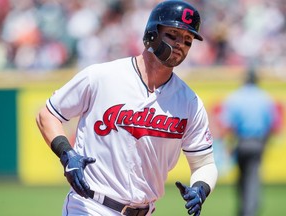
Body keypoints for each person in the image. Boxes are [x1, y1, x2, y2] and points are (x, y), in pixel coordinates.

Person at [36, 1, 218, 215]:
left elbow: (204, 163)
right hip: (90, 206)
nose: (180, 44)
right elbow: (47, 114)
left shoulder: (189, 101)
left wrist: (201, 188)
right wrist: (67, 153)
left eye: (188, 40)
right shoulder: (102, 76)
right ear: (152, 33)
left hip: (145, 210)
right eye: (173, 35)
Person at [219, 68, 277, 216]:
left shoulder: (235, 97)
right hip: (258, 142)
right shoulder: (264, 98)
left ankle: (243, 210)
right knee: (253, 178)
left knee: (242, 178)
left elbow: (227, 124)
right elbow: (273, 124)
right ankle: (250, 211)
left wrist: (228, 144)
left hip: (241, 142)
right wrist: (265, 142)